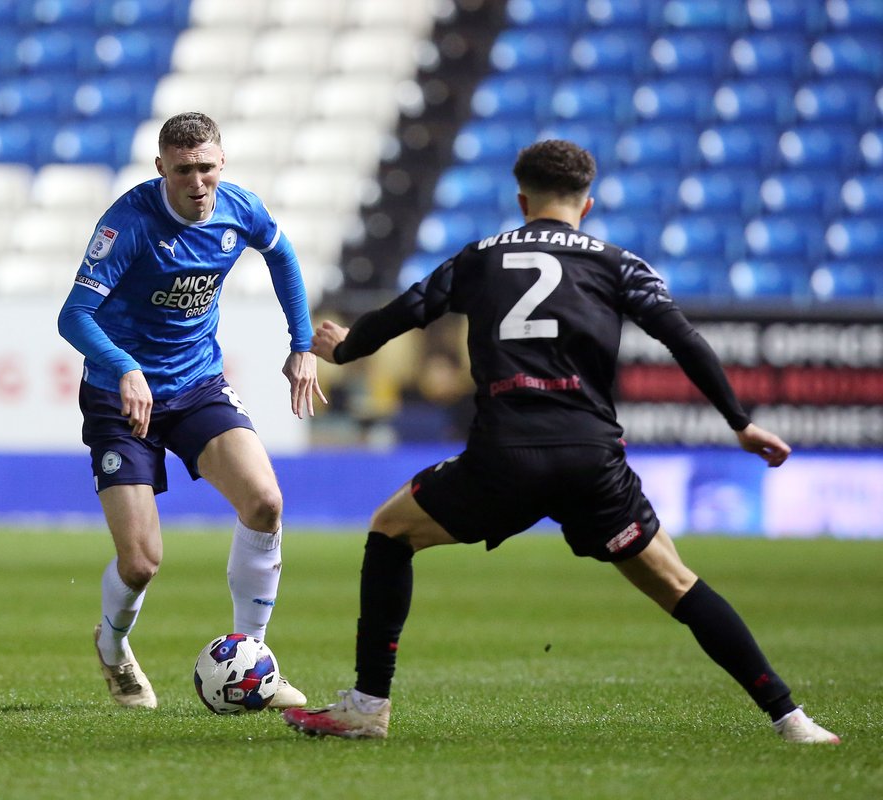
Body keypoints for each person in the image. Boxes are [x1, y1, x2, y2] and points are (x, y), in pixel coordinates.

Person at [282, 140, 840, 745]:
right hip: (590, 460)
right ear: (587, 203)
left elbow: (412, 309)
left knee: (391, 530)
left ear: (522, 199)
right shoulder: (616, 263)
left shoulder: (480, 257)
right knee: (677, 584)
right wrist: (740, 421)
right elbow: (685, 340)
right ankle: (792, 720)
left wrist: (348, 347)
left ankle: (367, 706)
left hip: (502, 459)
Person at [58, 111, 324, 710]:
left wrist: (301, 344)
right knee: (142, 561)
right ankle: (113, 644)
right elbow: (72, 315)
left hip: (198, 385)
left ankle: (252, 659)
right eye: (183, 171)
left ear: (221, 162)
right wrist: (125, 366)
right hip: (118, 398)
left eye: (206, 168)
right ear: (161, 169)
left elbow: (282, 257)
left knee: (265, 502)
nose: (197, 183)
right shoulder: (128, 223)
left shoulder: (240, 209)